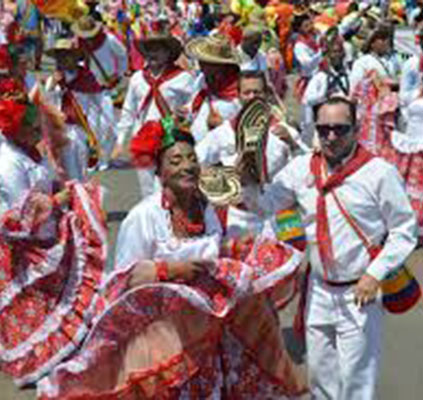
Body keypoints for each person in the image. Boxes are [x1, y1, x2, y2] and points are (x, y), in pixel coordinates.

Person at [37, 117, 308, 399]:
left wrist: (236, 254)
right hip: (164, 340)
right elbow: (120, 282)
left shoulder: (212, 208)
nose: (187, 166)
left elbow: (245, 234)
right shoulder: (145, 216)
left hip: (213, 336)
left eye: (192, 158)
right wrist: (169, 270)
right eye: (176, 161)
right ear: (159, 172)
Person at [237, 96, 418, 399]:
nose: (331, 136)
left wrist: (374, 274)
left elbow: (404, 230)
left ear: (356, 129)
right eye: (324, 129)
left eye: (340, 128)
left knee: (356, 380)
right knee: (320, 376)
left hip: (360, 292)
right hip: (319, 289)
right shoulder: (300, 169)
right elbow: (264, 206)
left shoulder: (378, 173)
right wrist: (248, 181)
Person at [0, 95, 107, 387]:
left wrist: (67, 190)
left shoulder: (30, 152)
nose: (38, 130)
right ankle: (34, 360)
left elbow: (47, 183)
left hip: (45, 235)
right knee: (31, 305)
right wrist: (60, 198)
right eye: (31, 126)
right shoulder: (8, 164)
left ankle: (54, 352)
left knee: (50, 303)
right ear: (15, 129)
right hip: (25, 247)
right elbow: (20, 216)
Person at [113, 17, 196, 199]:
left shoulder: (182, 78)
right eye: (149, 49)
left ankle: (172, 223)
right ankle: (153, 224)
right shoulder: (137, 79)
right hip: (144, 137)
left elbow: (195, 105)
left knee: (170, 185)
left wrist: (186, 113)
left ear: (168, 53)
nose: (153, 53)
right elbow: (128, 110)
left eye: (158, 49)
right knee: (147, 189)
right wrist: (120, 141)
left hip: (171, 136)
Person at [196, 70, 304, 180]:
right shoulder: (222, 134)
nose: (252, 97)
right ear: (238, 95)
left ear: (266, 94)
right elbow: (196, 161)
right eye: (246, 93)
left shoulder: (286, 133)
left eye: (257, 92)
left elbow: (305, 169)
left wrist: (293, 145)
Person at [44, 38, 104, 181]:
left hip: (80, 130)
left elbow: (98, 107)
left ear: (76, 57)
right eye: (60, 55)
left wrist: (94, 134)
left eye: (67, 55)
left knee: (81, 172)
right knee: (63, 173)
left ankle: (80, 199)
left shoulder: (86, 78)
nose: (63, 59)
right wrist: (54, 85)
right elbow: (48, 104)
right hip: (60, 131)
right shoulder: (52, 80)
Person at [71, 15, 127, 168]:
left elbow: (122, 55)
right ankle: (93, 159)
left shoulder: (108, 40)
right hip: (83, 88)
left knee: (108, 124)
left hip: (104, 87)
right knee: (89, 125)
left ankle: (105, 158)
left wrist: (119, 74)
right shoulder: (77, 43)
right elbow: (72, 61)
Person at [186, 34, 242, 143]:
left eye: (207, 63)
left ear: (222, 66)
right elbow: (196, 104)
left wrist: (223, 126)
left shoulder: (240, 91)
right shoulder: (202, 80)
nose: (201, 66)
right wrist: (187, 110)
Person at [303, 28, 351, 146]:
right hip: (324, 124)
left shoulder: (349, 75)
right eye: (334, 52)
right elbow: (307, 100)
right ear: (328, 55)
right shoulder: (320, 77)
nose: (337, 55)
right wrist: (325, 96)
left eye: (339, 52)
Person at [350, 24, 401, 93]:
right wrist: (381, 82)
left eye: (387, 39)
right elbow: (356, 85)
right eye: (382, 39)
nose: (386, 42)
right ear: (372, 43)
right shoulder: (362, 62)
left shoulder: (393, 61)